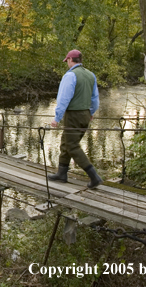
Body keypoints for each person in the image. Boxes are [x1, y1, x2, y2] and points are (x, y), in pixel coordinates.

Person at [48, 49, 102, 188]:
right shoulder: (91, 75)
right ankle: (62, 173)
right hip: (85, 114)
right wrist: (91, 112)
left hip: (73, 115)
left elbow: (63, 98)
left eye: (67, 61)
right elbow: (95, 98)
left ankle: (94, 176)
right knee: (66, 142)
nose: (67, 64)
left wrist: (57, 118)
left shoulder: (70, 75)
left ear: (71, 60)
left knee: (72, 146)